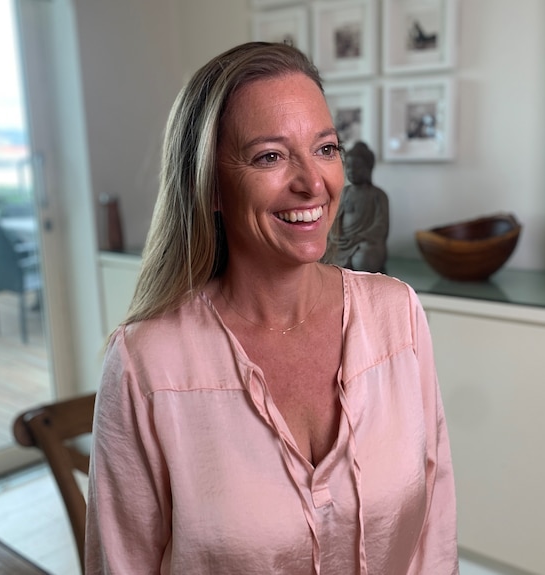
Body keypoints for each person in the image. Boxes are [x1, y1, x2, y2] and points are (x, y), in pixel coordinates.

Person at [85, 42, 458, 575]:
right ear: (210, 186)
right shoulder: (148, 362)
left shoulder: (397, 315)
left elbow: (434, 531)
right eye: (270, 156)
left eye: (326, 148)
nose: (312, 183)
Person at [325, 141, 389, 273]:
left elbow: (381, 226)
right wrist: (335, 235)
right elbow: (335, 218)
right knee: (322, 251)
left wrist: (361, 236)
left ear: (368, 168)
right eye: (348, 167)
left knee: (364, 258)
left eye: (358, 167)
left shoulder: (378, 195)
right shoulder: (345, 193)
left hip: (364, 242)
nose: (352, 171)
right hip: (343, 241)